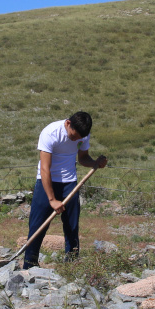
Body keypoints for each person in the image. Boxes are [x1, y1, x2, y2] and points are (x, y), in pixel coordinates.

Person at [22, 111, 108, 269]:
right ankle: (29, 264)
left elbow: (82, 158)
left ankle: (72, 264)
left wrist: (95, 163)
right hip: (46, 181)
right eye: (73, 136)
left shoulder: (83, 135)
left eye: (79, 138)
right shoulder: (50, 133)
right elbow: (45, 169)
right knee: (37, 224)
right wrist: (52, 200)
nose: (76, 140)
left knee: (71, 225)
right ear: (68, 123)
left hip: (69, 182)